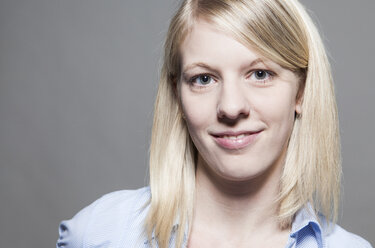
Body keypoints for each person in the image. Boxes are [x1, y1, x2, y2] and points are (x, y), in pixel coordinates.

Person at [57, 0, 372, 247]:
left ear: (301, 91)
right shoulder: (98, 235)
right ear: (177, 95)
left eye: (260, 74)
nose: (231, 107)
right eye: (203, 79)